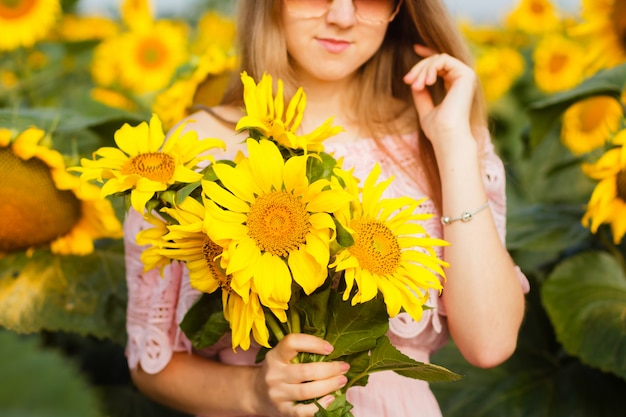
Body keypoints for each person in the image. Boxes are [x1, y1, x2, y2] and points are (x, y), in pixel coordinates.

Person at [123, 1, 529, 416]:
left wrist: (454, 147)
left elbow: (490, 342)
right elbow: (152, 362)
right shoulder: (193, 152)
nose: (342, 16)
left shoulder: (443, 137)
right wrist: (254, 392)